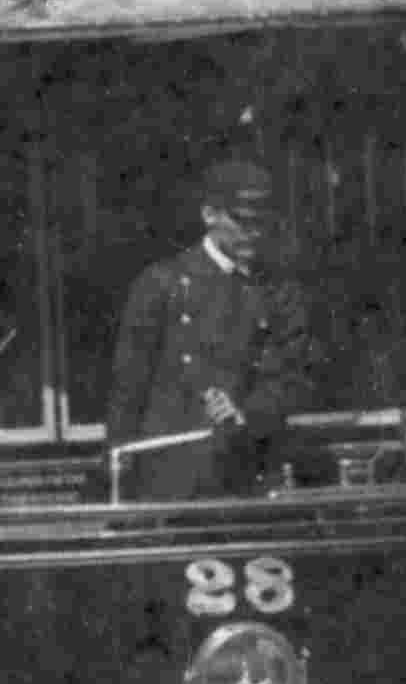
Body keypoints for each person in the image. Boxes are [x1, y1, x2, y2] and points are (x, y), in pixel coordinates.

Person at [104, 158, 317, 501]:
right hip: (170, 478)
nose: (256, 233)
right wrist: (119, 473)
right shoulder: (163, 284)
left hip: (249, 473)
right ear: (210, 216)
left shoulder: (279, 292)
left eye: (263, 223)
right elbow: (128, 387)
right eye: (243, 222)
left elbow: (292, 375)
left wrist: (247, 413)